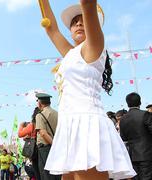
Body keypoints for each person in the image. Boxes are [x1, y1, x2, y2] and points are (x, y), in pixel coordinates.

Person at [40, 0, 136, 179]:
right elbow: (50, 28)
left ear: (93, 24)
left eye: (83, 19)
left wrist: (87, 10)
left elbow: (88, 4)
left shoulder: (94, 45)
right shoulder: (70, 54)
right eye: (74, 21)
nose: (78, 23)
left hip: (87, 126)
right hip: (69, 126)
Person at [120, 92, 152, 180]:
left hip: (132, 156)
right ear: (140, 102)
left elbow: (123, 138)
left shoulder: (123, 119)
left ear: (127, 103)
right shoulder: (145, 114)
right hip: (147, 154)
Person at [34, 93, 60, 180]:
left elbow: (43, 133)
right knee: (57, 174)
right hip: (57, 148)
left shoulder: (40, 115)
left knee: (46, 175)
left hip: (45, 149)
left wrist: (54, 145)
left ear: (40, 103)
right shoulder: (57, 114)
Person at [18, 107, 40, 180]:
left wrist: (21, 125)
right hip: (48, 148)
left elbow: (20, 134)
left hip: (35, 150)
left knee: (36, 171)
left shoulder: (32, 125)